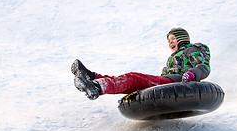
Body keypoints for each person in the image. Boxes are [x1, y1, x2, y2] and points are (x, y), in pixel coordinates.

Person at [71, 27, 211, 100]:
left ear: (182, 38)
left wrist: (192, 74)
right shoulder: (172, 58)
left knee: (134, 78)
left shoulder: (192, 49)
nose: (170, 42)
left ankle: (96, 86)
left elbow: (203, 67)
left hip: (178, 84)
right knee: (132, 84)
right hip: (168, 83)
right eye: (168, 40)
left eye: (173, 38)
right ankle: (93, 77)